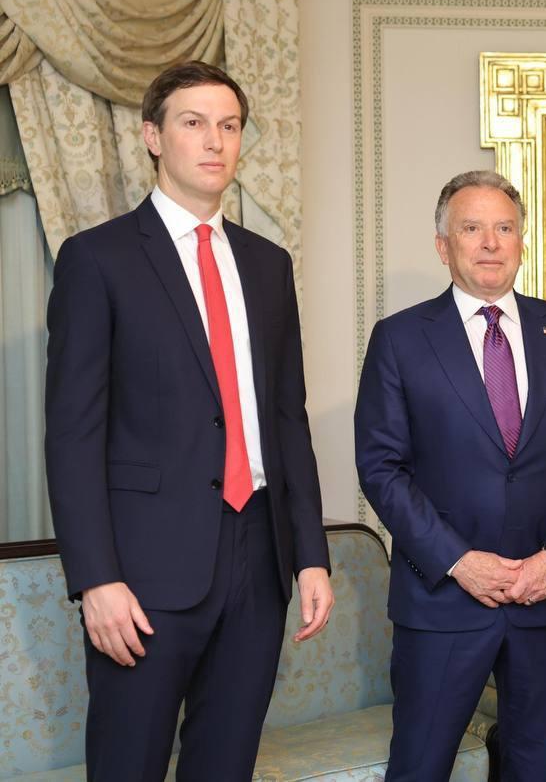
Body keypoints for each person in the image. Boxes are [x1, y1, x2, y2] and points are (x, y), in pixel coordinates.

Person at [44, 60, 333, 782]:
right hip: (142, 570)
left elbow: (287, 420)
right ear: (153, 136)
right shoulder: (97, 259)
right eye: (194, 123)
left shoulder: (269, 265)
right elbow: (73, 434)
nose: (214, 141)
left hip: (258, 557)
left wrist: (310, 553)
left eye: (229, 126)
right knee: (128, 765)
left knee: (225, 766)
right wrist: (96, 579)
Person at [355, 170, 546, 781]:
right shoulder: (400, 339)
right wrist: (458, 561)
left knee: (535, 766)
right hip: (442, 597)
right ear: (443, 246)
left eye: (504, 228)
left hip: (540, 594)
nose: (491, 243)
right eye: (472, 229)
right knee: (420, 766)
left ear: (522, 243)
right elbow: (381, 467)